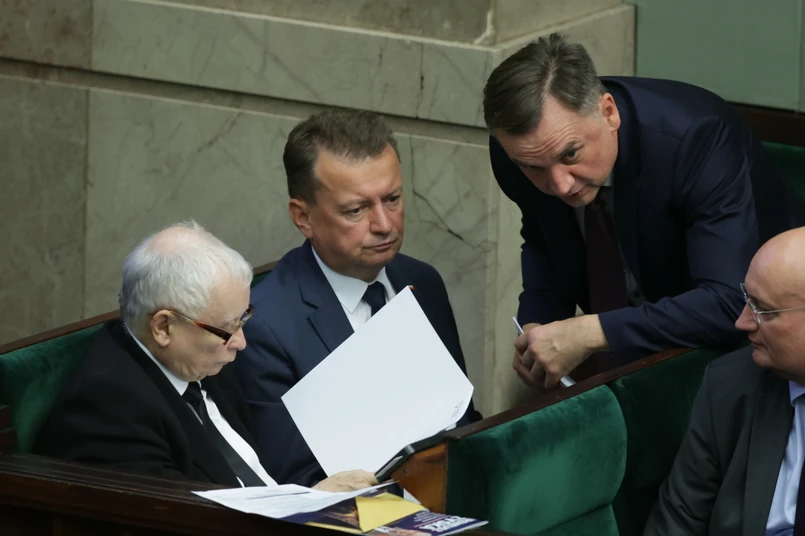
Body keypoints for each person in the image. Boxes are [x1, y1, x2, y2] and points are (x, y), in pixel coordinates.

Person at [483, 33, 805, 389]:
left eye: (570, 154)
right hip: (628, 341)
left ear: (608, 113)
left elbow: (729, 302)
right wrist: (536, 324)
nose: (560, 185)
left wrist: (592, 331)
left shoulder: (696, 138)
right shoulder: (518, 155)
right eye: (534, 167)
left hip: (752, 346)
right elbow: (545, 239)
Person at [234, 109, 482, 487]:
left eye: (392, 199)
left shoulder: (423, 282)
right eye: (357, 210)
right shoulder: (264, 327)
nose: (385, 224)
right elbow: (294, 481)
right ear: (303, 218)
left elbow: (461, 419)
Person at [35, 221, 375, 492]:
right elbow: (181, 520)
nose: (241, 342)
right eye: (227, 328)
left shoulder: (202, 359)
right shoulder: (108, 407)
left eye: (243, 318)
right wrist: (312, 508)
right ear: (163, 327)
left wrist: (314, 498)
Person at [645, 227, 805, 535]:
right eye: (747, 300)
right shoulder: (730, 385)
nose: (741, 322)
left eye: (763, 310)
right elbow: (678, 521)